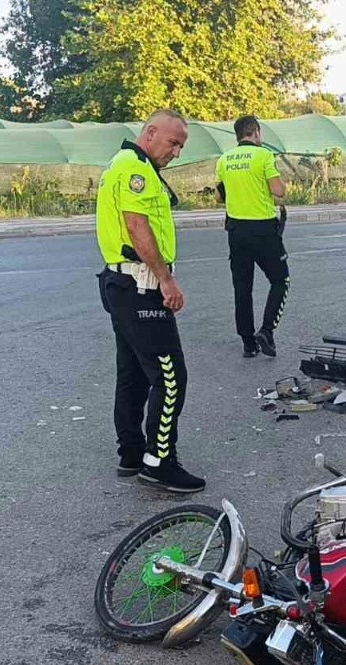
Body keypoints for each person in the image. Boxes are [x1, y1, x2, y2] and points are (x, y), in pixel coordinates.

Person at [95, 109, 205, 493]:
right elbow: (136, 226)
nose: (176, 152)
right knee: (170, 376)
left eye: (181, 146)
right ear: (151, 133)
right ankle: (159, 463)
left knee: (133, 373)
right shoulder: (135, 168)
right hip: (140, 286)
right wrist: (166, 280)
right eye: (173, 143)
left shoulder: (122, 163)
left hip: (121, 284)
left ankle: (131, 452)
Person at [216, 115, 288, 358]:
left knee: (242, 288)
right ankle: (266, 331)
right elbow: (279, 191)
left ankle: (248, 343)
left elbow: (220, 196)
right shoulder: (264, 156)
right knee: (280, 280)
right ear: (256, 132)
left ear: (238, 135)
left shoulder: (224, 160)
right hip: (263, 230)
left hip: (236, 231)